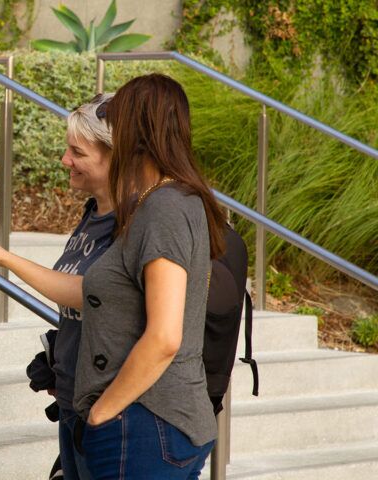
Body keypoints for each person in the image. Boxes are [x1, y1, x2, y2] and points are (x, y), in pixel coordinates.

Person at [0, 94, 116, 480]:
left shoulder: (134, 225)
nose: (64, 160)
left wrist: (4, 259)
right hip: (73, 396)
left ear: (114, 157)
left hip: (104, 410)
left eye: (77, 151)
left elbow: (91, 293)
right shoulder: (93, 213)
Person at [74, 73, 226, 479]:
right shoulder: (165, 201)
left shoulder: (164, 209)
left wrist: (103, 412)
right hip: (153, 422)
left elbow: (164, 337)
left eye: (115, 119)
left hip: (145, 424)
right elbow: (100, 293)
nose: (111, 131)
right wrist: (3, 258)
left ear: (136, 132)